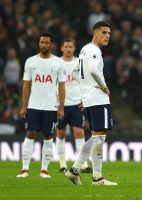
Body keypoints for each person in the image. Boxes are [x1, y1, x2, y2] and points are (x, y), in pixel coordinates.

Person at [65, 21, 117, 186]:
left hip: (89, 98)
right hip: (98, 98)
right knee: (100, 137)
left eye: (109, 33)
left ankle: (74, 170)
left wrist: (84, 89)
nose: (107, 35)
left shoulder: (84, 49)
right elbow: (94, 70)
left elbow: (74, 71)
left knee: (96, 137)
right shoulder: (94, 50)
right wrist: (104, 86)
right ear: (95, 34)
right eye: (104, 32)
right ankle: (97, 178)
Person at [16, 32, 66, 178]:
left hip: (51, 107)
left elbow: (62, 87)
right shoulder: (30, 62)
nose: (43, 45)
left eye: (46, 43)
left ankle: (44, 170)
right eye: (41, 42)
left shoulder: (58, 63)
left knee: (48, 136)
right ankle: (24, 169)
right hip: (33, 105)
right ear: (39, 43)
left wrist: (61, 107)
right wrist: (24, 106)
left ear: (51, 45)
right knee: (30, 133)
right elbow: (26, 85)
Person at [56, 38, 92, 173]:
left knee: (79, 133)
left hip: (77, 104)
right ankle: (62, 164)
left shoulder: (79, 63)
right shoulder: (57, 63)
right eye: (66, 47)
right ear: (62, 48)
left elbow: (85, 81)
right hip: (61, 105)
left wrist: (85, 99)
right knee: (60, 134)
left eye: (71, 46)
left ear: (74, 48)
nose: (68, 49)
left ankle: (83, 164)